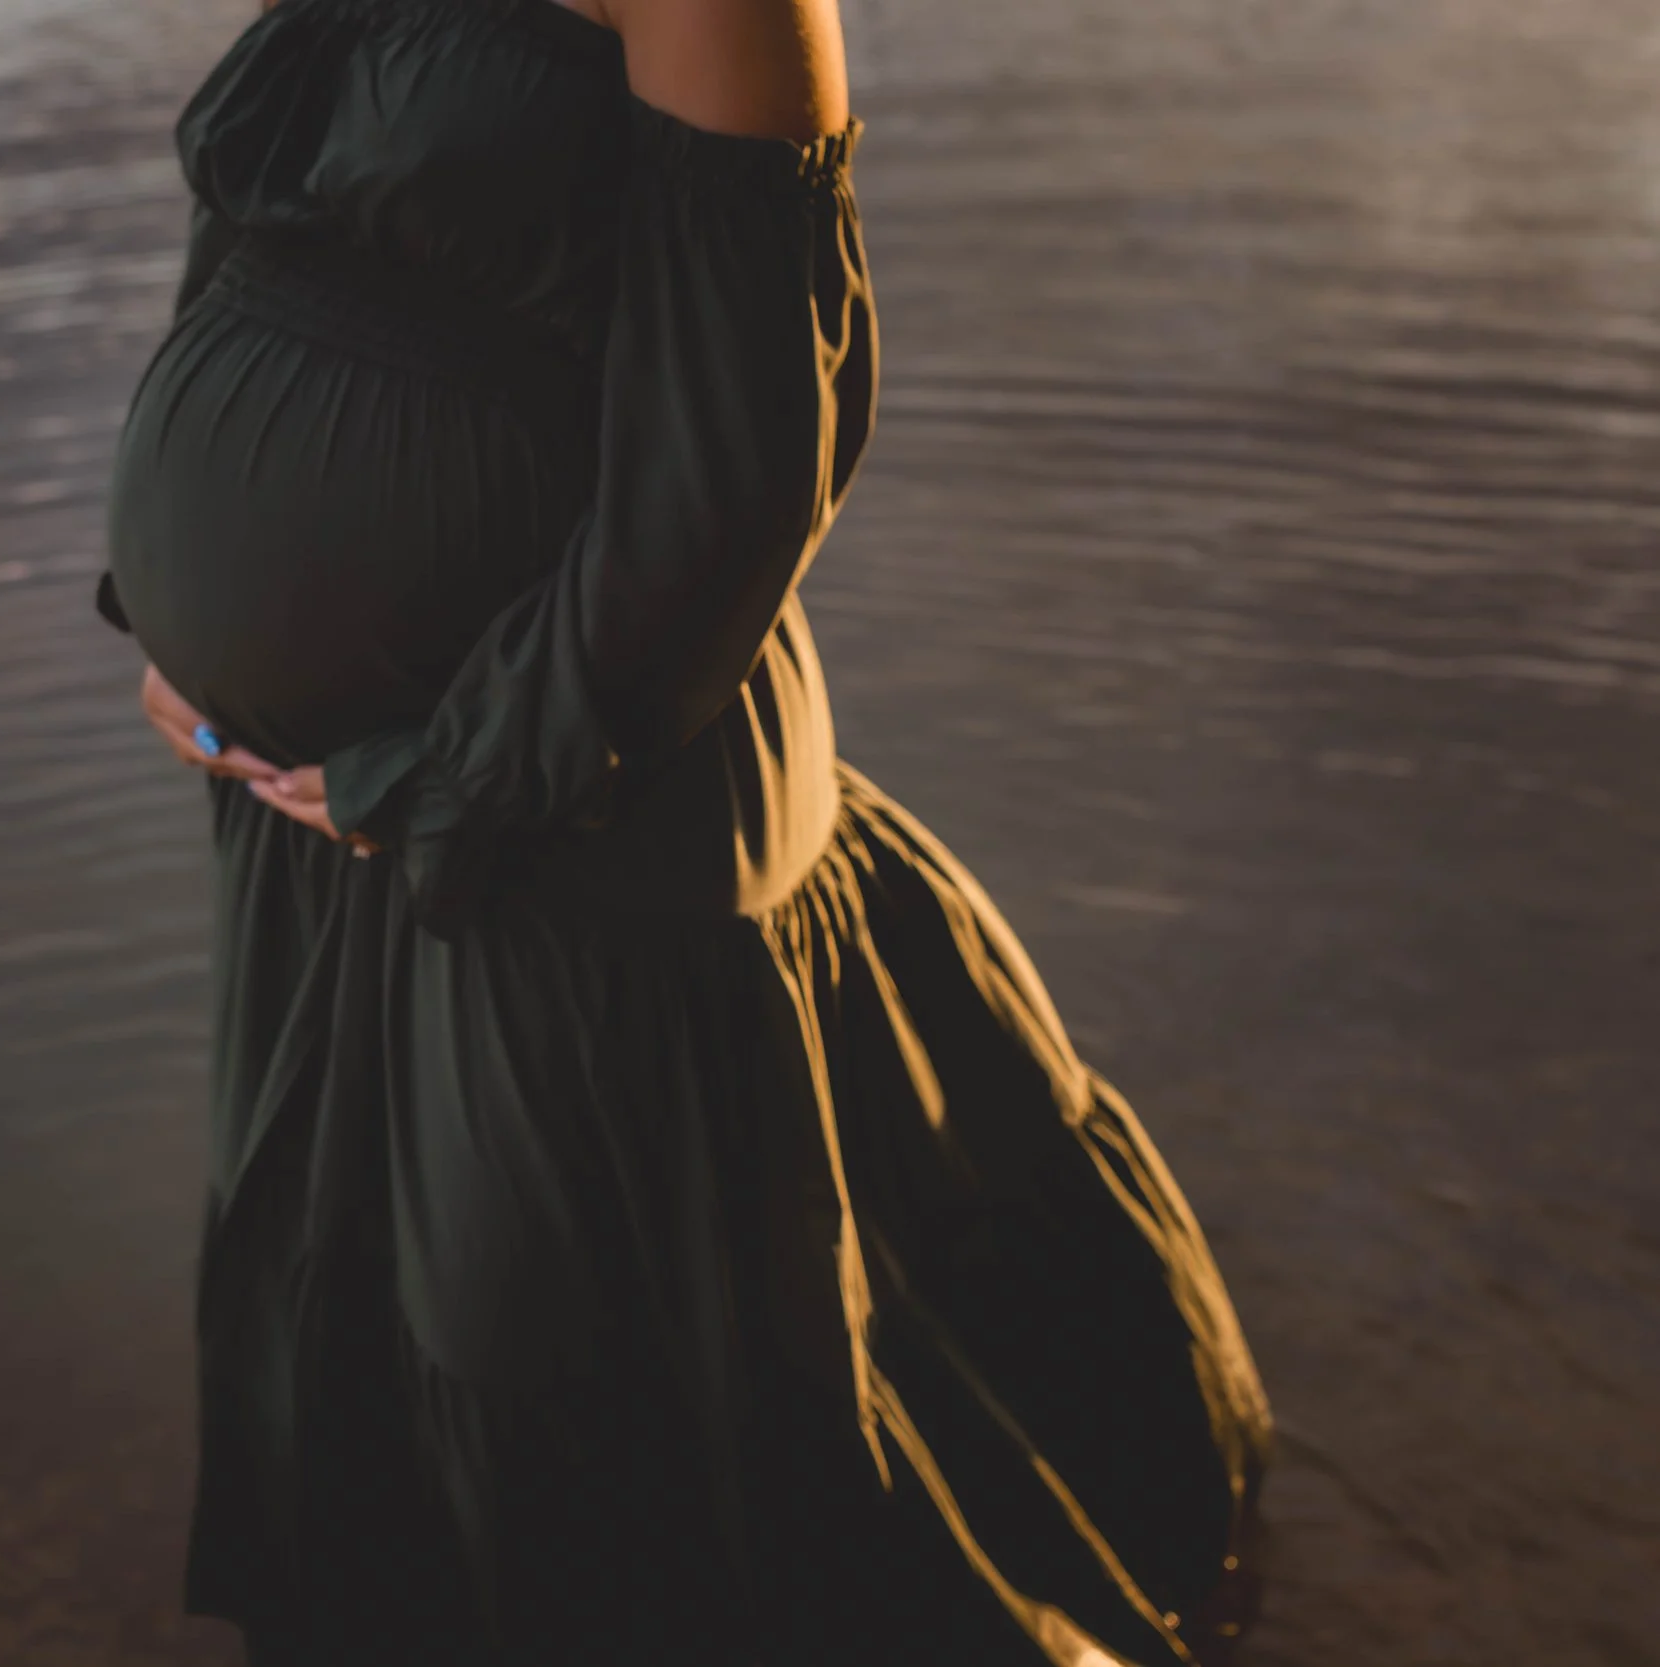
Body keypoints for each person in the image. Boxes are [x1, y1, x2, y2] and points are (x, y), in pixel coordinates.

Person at [94, 0, 1272, 1660]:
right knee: (387, 1340)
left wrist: (445, 778)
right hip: (321, 814)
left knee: (582, 1397)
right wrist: (171, 607)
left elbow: (742, 469)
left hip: (564, 802)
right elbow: (260, 230)